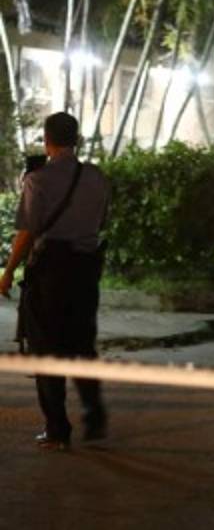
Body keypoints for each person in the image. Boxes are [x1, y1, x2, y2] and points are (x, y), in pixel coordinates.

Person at [0, 112, 110, 451]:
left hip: (50, 273)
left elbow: (27, 232)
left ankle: (57, 429)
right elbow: (101, 220)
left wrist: (8, 272)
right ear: (76, 140)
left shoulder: (38, 180)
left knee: (46, 349)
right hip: (85, 271)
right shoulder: (97, 178)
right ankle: (94, 413)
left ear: (47, 141)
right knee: (82, 344)